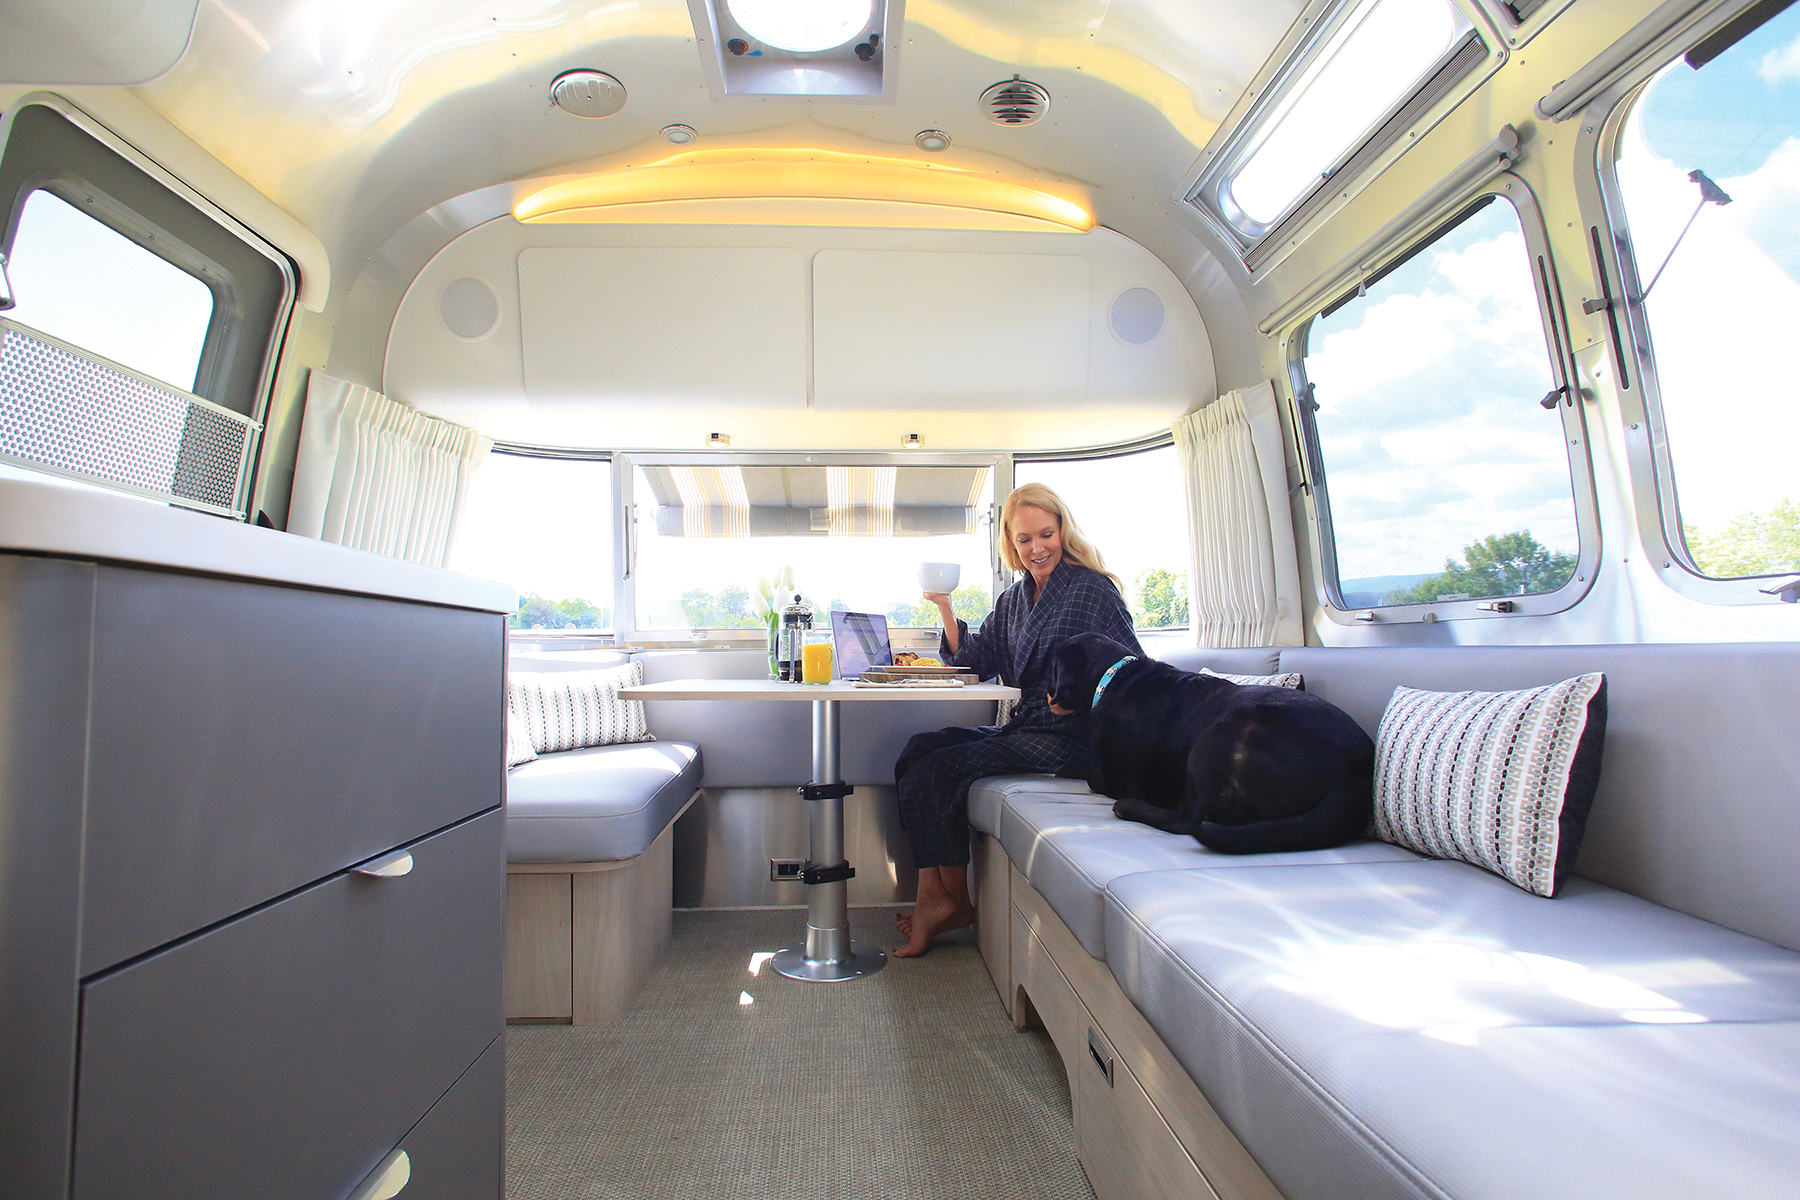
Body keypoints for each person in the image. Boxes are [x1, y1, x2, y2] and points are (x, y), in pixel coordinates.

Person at [892, 482, 1144, 957]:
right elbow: (975, 660)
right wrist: (945, 607)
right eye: (1024, 539)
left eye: (1046, 534)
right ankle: (948, 899)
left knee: (935, 770)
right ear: (1010, 542)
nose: (1037, 548)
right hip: (1029, 727)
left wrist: (1079, 696)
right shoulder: (1014, 598)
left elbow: (1131, 669)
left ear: (1063, 530)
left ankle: (937, 903)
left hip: (1075, 737)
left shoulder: (1092, 588)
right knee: (917, 750)